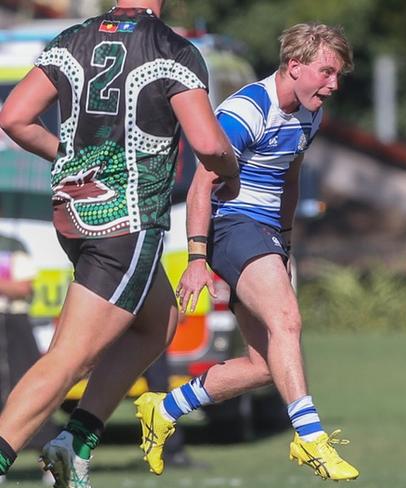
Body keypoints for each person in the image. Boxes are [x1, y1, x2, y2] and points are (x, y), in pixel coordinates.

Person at [0, 1, 240, 487]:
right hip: (127, 223)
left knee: (159, 321)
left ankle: (73, 443)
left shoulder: (74, 38)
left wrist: (70, 159)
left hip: (74, 214)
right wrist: (231, 170)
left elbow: (13, 117)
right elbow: (209, 145)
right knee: (70, 360)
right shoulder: (174, 49)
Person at [134, 23, 359, 481]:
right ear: (294, 67)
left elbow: (290, 175)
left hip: (266, 233)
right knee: (288, 321)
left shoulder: (311, 113)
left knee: (266, 364)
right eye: (326, 72)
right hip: (231, 224)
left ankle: (165, 406)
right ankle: (310, 438)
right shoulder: (247, 110)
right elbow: (202, 186)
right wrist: (197, 260)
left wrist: (286, 242)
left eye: (338, 75)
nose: (333, 85)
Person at [0, 225, 58, 486]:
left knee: (28, 394)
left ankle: (50, 463)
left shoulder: (12, 246)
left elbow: (23, 288)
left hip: (12, 326)